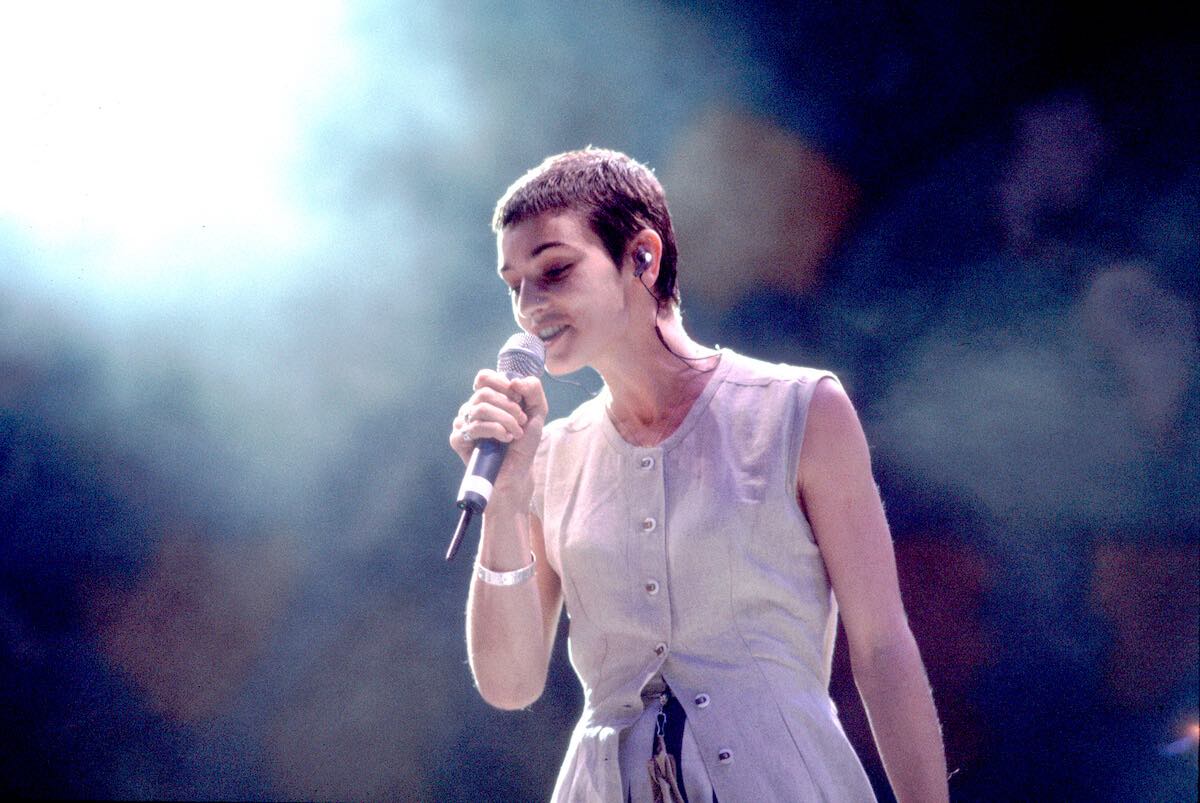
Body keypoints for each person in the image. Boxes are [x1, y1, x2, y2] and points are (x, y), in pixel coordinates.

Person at [449, 147, 948, 802]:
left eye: (555, 270)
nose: (529, 305)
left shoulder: (799, 410)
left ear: (642, 256)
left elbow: (882, 647)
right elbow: (510, 683)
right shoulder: (549, 458)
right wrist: (508, 501)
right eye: (515, 284)